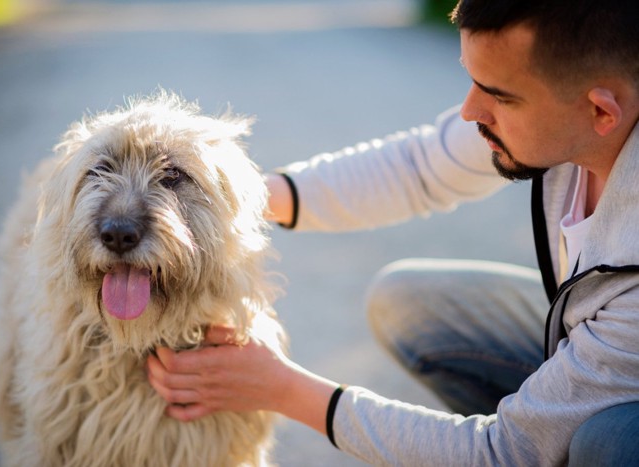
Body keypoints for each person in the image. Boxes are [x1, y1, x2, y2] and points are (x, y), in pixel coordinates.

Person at [147, 0, 639, 465]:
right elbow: (420, 168)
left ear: (601, 111)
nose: (470, 111)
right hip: (604, 347)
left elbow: (503, 451)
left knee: (609, 441)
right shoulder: (562, 117)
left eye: (499, 96)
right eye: (473, 80)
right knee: (409, 299)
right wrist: (232, 194)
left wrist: (281, 388)